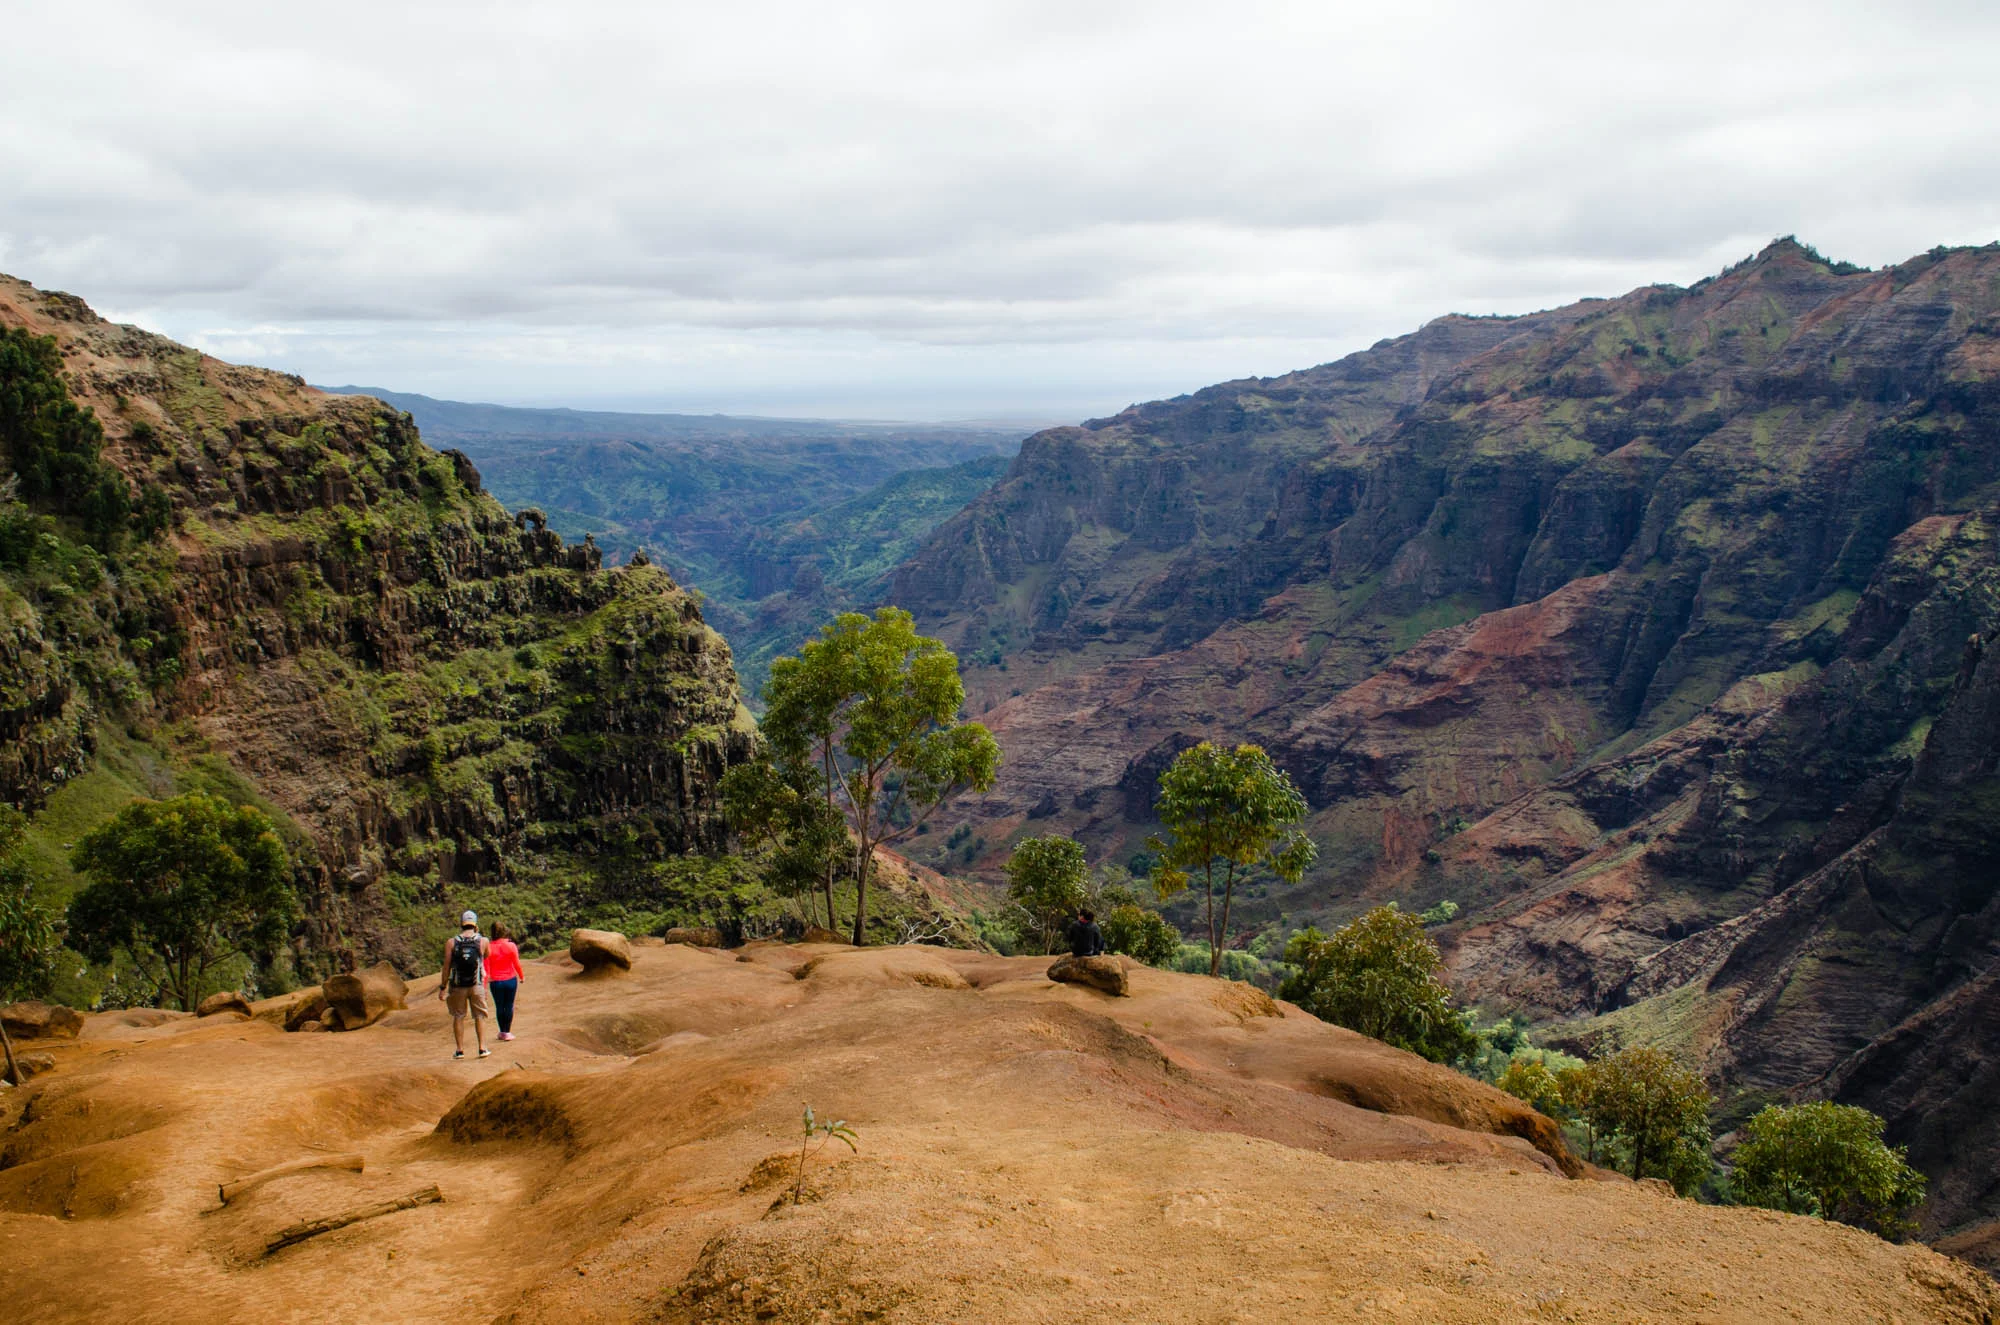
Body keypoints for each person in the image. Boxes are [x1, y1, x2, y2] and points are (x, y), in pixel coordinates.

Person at [438, 910, 492, 1060]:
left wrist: (443, 987)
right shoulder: (483, 941)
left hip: (457, 986)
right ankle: (482, 1048)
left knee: (459, 1016)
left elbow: (446, 966)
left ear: (461, 923)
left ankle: (460, 1050)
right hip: (477, 985)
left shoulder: (451, 942)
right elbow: (487, 955)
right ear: (475, 924)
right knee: (479, 1016)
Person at [485, 921, 526, 1042]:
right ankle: (507, 1032)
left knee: (499, 1006)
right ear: (504, 931)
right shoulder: (511, 945)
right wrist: (522, 976)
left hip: (495, 981)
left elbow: (486, 966)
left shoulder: (488, 947)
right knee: (509, 1005)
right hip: (510, 980)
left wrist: (485, 982)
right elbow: (516, 963)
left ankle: (502, 1031)